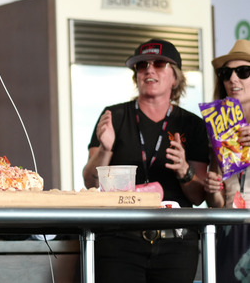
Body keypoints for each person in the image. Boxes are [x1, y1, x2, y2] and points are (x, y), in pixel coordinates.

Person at [82, 38, 210, 283]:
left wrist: (184, 170)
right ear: (136, 76)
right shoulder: (115, 115)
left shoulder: (192, 124)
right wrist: (105, 150)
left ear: (175, 77)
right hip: (120, 241)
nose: (149, 69)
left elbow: (198, 196)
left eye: (159, 63)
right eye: (142, 66)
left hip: (177, 243)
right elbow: (90, 181)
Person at [204, 39, 250, 282]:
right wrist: (212, 190)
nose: (233, 79)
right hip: (231, 231)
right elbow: (219, 201)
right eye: (226, 73)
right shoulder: (219, 125)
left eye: (243, 72)